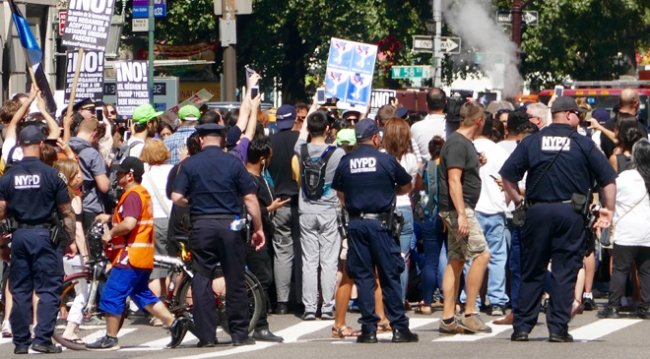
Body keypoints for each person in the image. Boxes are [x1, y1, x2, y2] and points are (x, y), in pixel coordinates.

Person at [500, 96, 617, 342]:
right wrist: (609, 210)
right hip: (570, 213)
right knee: (565, 271)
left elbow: (508, 175)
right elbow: (608, 178)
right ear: (569, 115)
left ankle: (522, 328)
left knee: (532, 269)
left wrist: (519, 202)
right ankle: (557, 328)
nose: (581, 120)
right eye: (579, 115)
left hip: (537, 212)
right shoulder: (583, 144)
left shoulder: (532, 141)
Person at [171, 123, 266, 347]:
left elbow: (176, 197)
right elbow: (250, 198)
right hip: (231, 224)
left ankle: (207, 336)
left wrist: (193, 203)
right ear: (223, 140)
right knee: (235, 278)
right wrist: (259, 228)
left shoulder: (189, 163)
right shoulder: (234, 162)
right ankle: (240, 334)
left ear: (201, 140)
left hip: (202, 226)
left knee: (202, 277)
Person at [332, 118, 418, 344]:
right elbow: (408, 185)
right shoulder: (386, 160)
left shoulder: (346, 161)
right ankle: (399, 327)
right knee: (389, 274)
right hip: (381, 224)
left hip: (356, 224)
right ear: (375, 138)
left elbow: (341, 194)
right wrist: (388, 191)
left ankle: (368, 329)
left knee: (364, 277)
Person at [86, 157, 187, 350]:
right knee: (142, 294)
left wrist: (110, 232)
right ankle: (174, 323)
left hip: (130, 255)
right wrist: (110, 217)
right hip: (141, 255)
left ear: (130, 175)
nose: (116, 175)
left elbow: (129, 223)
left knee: (112, 293)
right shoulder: (141, 194)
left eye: (120, 173)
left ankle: (110, 338)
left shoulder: (132, 195)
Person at [0, 125, 76, 354]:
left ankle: (21, 342)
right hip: (46, 236)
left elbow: (0, 212)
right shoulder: (53, 175)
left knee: (20, 288)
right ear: (41, 144)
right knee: (49, 289)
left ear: (20, 146)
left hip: (19, 236)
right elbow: (67, 212)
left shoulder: (9, 176)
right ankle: (42, 338)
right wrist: (69, 239)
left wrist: (2, 244)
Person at [437, 102, 491, 335]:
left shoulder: (461, 143)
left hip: (457, 208)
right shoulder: (458, 143)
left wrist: (476, 162)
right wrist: (461, 214)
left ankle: (449, 318)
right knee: (482, 254)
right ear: (479, 121)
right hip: (459, 209)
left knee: (456, 260)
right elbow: (453, 180)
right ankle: (469, 312)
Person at [295, 111, 345, 320]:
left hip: (306, 210)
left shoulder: (301, 149)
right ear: (327, 129)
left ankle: (309, 307)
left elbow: (299, 136)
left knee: (309, 260)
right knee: (328, 260)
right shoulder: (338, 153)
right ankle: (327, 307)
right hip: (329, 210)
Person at [598, 139, 650, 319]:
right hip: (647, 229)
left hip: (626, 230)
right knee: (646, 270)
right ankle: (646, 306)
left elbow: (609, 196)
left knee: (620, 268)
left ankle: (613, 306)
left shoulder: (624, 177)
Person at [244, 136, 287, 341]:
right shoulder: (249, 179)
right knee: (261, 278)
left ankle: (253, 322)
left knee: (261, 278)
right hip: (252, 235)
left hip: (263, 233)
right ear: (262, 159)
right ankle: (260, 325)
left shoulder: (260, 177)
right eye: (268, 157)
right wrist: (271, 208)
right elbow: (247, 208)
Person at [267, 104, 302, 314]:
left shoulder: (270, 143)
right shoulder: (302, 140)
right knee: (304, 252)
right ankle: (301, 299)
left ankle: (281, 301)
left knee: (282, 252)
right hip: (302, 202)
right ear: (295, 118)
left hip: (278, 202)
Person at [382, 118, 418, 305]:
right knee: (403, 256)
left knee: (382, 256)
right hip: (404, 207)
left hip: (384, 208)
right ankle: (399, 299)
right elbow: (410, 185)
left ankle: (383, 299)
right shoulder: (411, 159)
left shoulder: (380, 155)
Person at [139, 139, 175, 325]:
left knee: (156, 270)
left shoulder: (144, 176)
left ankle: (159, 313)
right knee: (174, 265)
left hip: (153, 222)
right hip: (174, 220)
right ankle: (173, 304)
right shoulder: (173, 171)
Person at [68, 118, 110, 231]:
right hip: (89, 207)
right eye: (97, 140)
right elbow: (104, 187)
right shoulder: (92, 154)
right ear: (95, 134)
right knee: (89, 246)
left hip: (68, 205)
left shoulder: (64, 148)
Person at [411, 88, 448, 161]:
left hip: (423, 170)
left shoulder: (415, 128)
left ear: (426, 105)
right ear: (446, 103)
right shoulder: (455, 127)